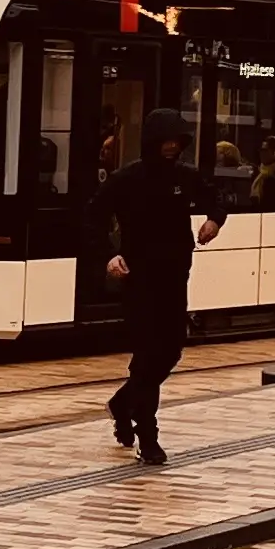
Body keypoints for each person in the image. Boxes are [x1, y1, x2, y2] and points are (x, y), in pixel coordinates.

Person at [95, 106, 221, 466]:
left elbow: (217, 198)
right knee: (148, 354)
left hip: (175, 274)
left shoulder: (186, 176)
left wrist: (214, 220)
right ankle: (147, 436)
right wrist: (109, 254)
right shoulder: (126, 179)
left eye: (177, 141)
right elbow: (92, 217)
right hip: (139, 277)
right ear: (151, 141)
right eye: (165, 140)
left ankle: (123, 402)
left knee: (171, 350)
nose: (171, 147)